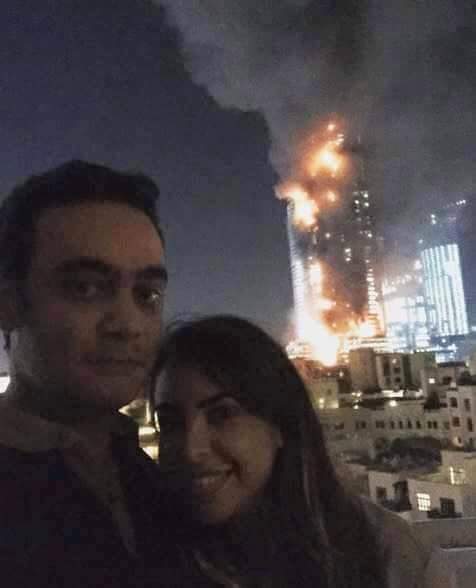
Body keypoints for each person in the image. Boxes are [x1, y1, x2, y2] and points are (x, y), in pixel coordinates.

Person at [0, 160, 177, 587]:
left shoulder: (149, 475)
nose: (128, 325)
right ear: (8, 305)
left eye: (147, 294)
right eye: (86, 287)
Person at [151, 315, 428, 588]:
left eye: (222, 414)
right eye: (170, 421)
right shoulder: (145, 555)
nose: (191, 450)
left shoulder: (387, 555)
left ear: (279, 424)